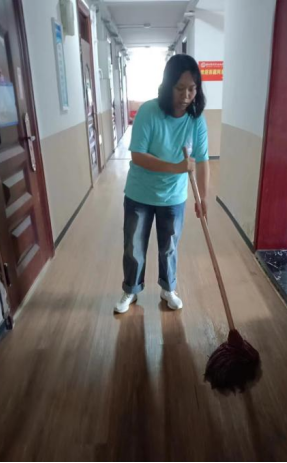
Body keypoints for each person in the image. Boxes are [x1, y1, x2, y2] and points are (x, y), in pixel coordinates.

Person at [115, 54, 210, 314]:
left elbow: (202, 160)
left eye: (192, 88)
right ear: (168, 86)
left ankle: (168, 289)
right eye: (180, 88)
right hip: (140, 193)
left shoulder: (197, 120)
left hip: (173, 197)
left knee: (169, 247)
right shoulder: (149, 111)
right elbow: (138, 155)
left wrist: (203, 197)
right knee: (134, 246)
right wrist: (176, 167)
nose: (186, 95)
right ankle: (131, 289)